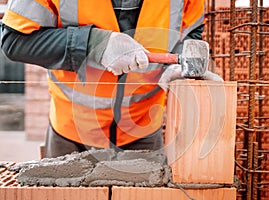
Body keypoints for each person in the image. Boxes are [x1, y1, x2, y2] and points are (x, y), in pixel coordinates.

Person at [1, 0, 221, 158]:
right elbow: (14, 40)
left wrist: (176, 68)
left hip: (143, 130)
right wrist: (94, 43)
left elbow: (188, 33)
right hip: (71, 132)